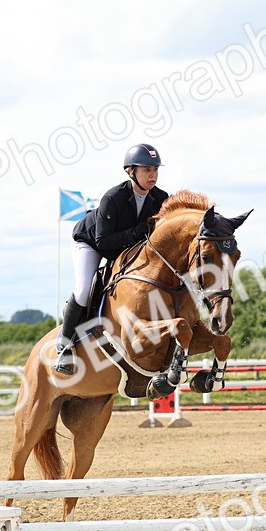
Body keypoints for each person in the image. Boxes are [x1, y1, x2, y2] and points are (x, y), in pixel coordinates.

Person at [54, 143, 169, 374]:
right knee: (85, 288)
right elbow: (104, 242)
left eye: (155, 170)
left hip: (126, 248)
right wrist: (138, 232)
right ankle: (65, 345)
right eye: (146, 170)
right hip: (91, 242)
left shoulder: (161, 198)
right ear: (131, 171)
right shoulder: (113, 197)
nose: (152, 175)